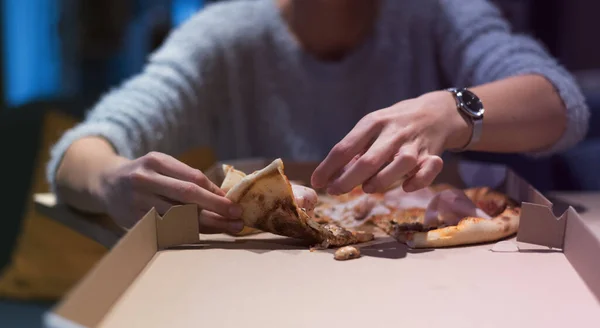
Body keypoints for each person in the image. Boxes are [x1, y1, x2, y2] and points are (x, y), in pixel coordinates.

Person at [47, 0, 590, 235]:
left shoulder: (438, 13)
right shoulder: (223, 34)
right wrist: (112, 179)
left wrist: (451, 108)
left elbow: (561, 107)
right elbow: (81, 152)